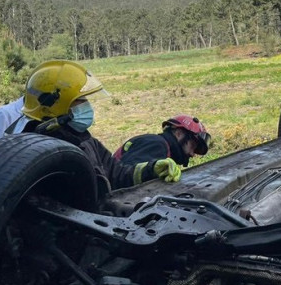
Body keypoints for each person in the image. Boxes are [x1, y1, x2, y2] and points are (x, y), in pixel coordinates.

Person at [18, 60, 183, 194]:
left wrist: (151, 169)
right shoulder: (40, 154)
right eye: (80, 101)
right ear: (55, 106)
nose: (87, 106)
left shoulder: (85, 140)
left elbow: (117, 173)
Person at [114, 114, 211, 167]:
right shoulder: (158, 145)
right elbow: (124, 176)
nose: (192, 154)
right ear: (179, 133)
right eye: (193, 146)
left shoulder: (164, 151)